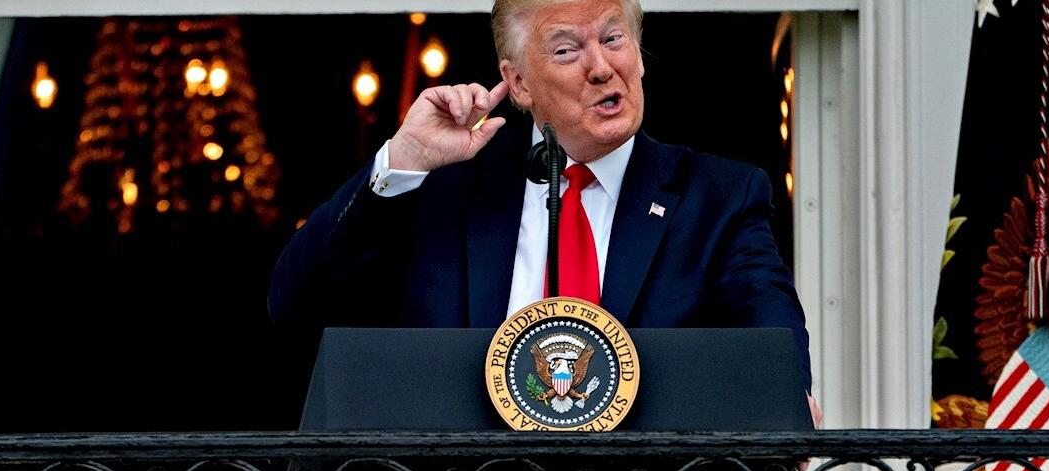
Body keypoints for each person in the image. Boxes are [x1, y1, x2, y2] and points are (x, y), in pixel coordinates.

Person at [269, 0, 814, 395]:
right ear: (520, 83)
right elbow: (295, 303)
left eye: (614, 38)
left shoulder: (717, 196)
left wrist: (789, 398)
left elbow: (771, 339)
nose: (601, 66)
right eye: (566, 49)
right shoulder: (448, 188)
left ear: (640, 56)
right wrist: (405, 159)